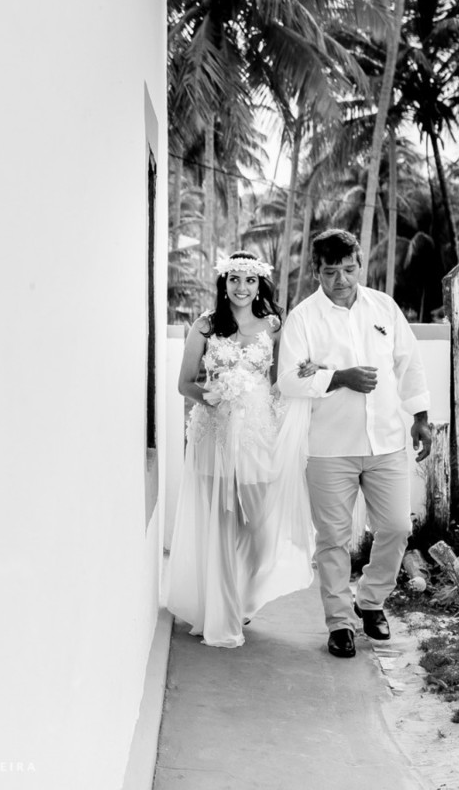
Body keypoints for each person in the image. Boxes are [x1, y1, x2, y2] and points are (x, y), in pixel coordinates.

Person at [277, 229, 432, 659]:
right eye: (331, 271)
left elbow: (409, 364)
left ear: (360, 265)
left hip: (387, 441)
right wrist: (339, 378)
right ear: (316, 271)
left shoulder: (384, 307)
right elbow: (288, 379)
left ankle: (370, 600)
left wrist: (421, 417)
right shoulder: (303, 319)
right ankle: (340, 623)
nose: (341, 279)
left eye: (349, 269)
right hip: (329, 447)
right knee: (332, 538)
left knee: (397, 527)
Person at [162, 251, 318, 648]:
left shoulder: (274, 326)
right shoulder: (205, 326)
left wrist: (303, 373)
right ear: (224, 283)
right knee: (219, 526)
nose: (242, 287)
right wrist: (214, 397)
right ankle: (222, 611)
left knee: (259, 528)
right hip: (213, 434)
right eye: (234, 279)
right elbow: (184, 383)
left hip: (258, 434)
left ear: (260, 284)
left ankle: (242, 596)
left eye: (250, 280)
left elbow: (281, 381)